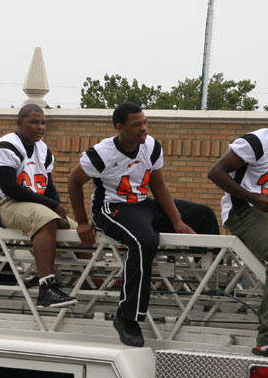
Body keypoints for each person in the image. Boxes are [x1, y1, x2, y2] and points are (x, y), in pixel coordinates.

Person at [67, 102, 219, 347]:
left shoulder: (150, 146)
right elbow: (74, 183)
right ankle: (127, 316)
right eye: (137, 125)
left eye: (145, 122)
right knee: (145, 240)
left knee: (203, 215)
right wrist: (83, 221)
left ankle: (208, 283)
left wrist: (177, 220)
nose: (143, 129)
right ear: (120, 127)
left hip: (142, 204)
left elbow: (158, 186)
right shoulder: (101, 153)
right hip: (112, 207)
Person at [0, 103, 77, 308]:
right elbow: (10, 188)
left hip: (32, 205)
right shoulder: (6, 145)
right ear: (19, 123)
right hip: (0, 205)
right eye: (34, 122)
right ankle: (47, 288)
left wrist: (56, 205)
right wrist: (52, 206)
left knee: (78, 231)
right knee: (47, 220)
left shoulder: (43, 150)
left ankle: (83, 283)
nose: (40, 127)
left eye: (43, 123)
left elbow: (48, 187)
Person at [208, 128, 268, 356]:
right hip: (245, 209)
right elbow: (215, 173)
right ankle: (266, 339)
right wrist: (254, 198)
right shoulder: (257, 142)